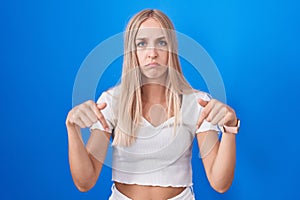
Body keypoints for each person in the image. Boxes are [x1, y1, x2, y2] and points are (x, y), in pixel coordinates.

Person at [66, 9, 240, 200]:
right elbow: (85, 182)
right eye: (142, 44)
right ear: (132, 51)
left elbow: (220, 183)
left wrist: (229, 128)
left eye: (161, 42)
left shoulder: (197, 103)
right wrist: (72, 128)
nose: (152, 54)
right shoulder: (111, 101)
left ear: (172, 49)